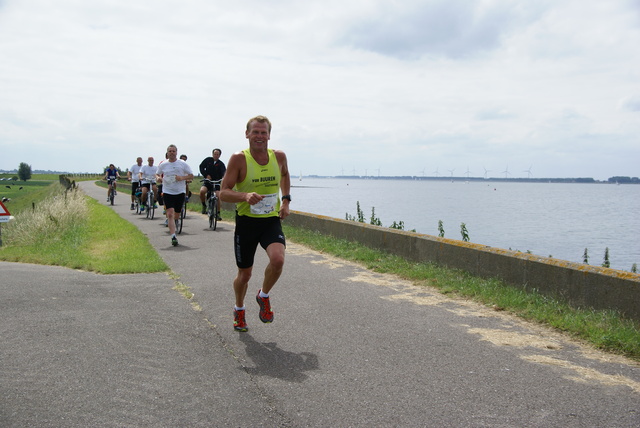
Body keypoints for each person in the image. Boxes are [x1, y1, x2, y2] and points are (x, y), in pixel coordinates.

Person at [220, 115, 291, 332]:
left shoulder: (278, 156)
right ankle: (239, 309)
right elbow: (223, 192)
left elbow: (285, 175)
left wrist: (286, 200)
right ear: (247, 134)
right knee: (245, 275)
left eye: (263, 132)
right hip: (247, 223)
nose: (259, 136)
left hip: (270, 220)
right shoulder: (239, 159)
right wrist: (244, 196)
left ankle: (264, 295)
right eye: (255, 132)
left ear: (269, 135)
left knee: (278, 260)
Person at [156, 144, 194, 246]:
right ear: (167, 153)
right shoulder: (163, 164)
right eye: (170, 151)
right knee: (169, 214)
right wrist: (158, 178)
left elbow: (191, 175)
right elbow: (157, 173)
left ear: (176, 152)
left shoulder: (182, 164)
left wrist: (181, 178)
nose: (172, 153)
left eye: (173, 151)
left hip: (180, 192)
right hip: (168, 191)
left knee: (177, 214)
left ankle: (176, 221)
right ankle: (173, 236)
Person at [199, 148, 226, 217]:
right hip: (208, 182)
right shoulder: (208, 160)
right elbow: (201, 167)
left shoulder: (221, 164)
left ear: (219, 155)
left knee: (218, 196)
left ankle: (218, 213)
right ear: (212, 154)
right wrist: (206, 175)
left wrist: (223, 178)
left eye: (217, 154)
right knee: (202, 191)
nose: (216, 155)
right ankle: (204, 205)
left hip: (216, 182)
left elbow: (224, 173)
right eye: (215, 154)